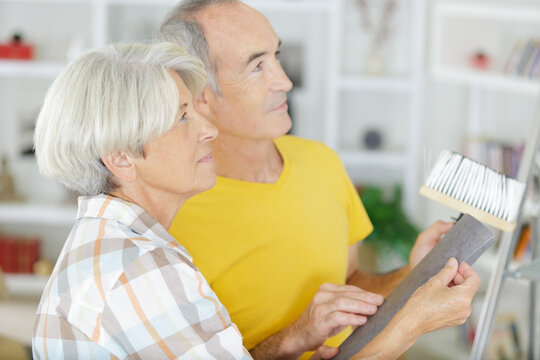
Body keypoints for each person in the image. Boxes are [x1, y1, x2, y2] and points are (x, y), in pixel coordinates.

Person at [158, 1, 482, 359]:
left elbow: (353, 283)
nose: (285, 80)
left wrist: (418, 269)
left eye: (276, 56)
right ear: (199, 94)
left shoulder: (321, 162)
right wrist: (296, 335)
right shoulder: (171, 217)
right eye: (256, 66)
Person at [31, 42, 252, 359]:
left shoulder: (109, 247)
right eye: (182, 118)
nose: (210, 130)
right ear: (121, 158)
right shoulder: (137, 268)